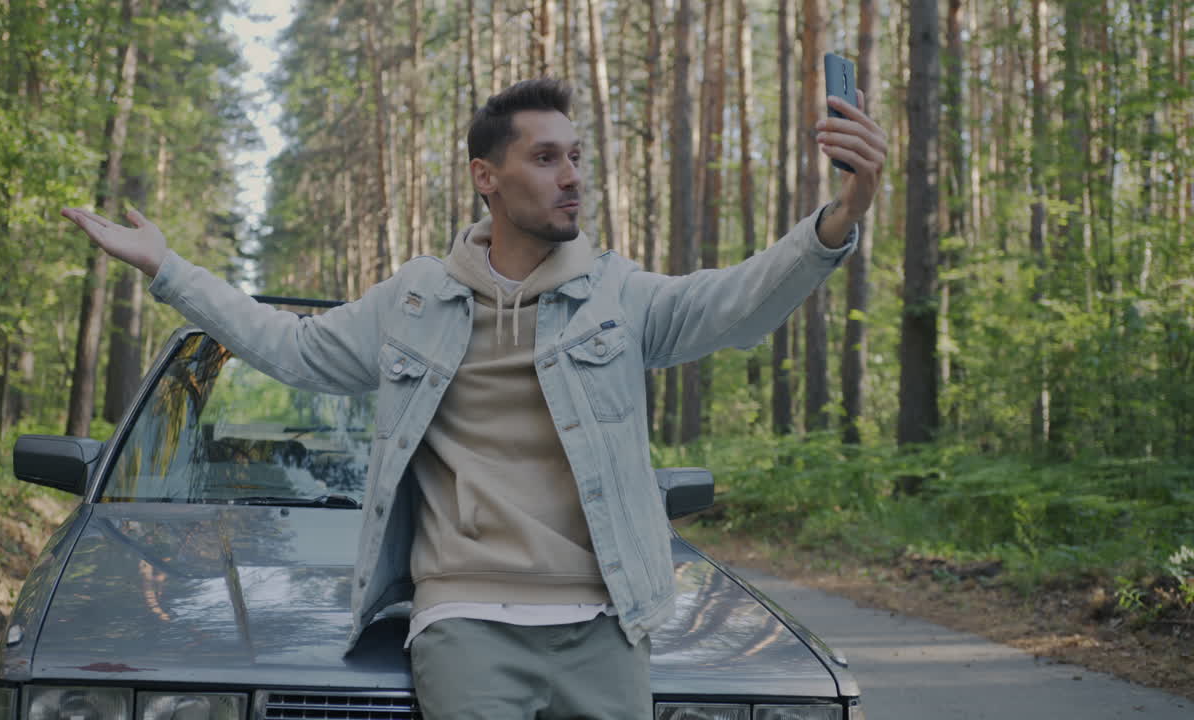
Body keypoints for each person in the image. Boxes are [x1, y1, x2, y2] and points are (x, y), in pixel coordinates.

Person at [62, 77, 886, 719]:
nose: (572, 177)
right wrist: (169, 270)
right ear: (485, 177)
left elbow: (734, 303)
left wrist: (839, 216)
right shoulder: (416, 300)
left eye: (575, 157)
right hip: (467, 618)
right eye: (547, 158)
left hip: (606, 620)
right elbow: (296, 348)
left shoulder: (617, 295)